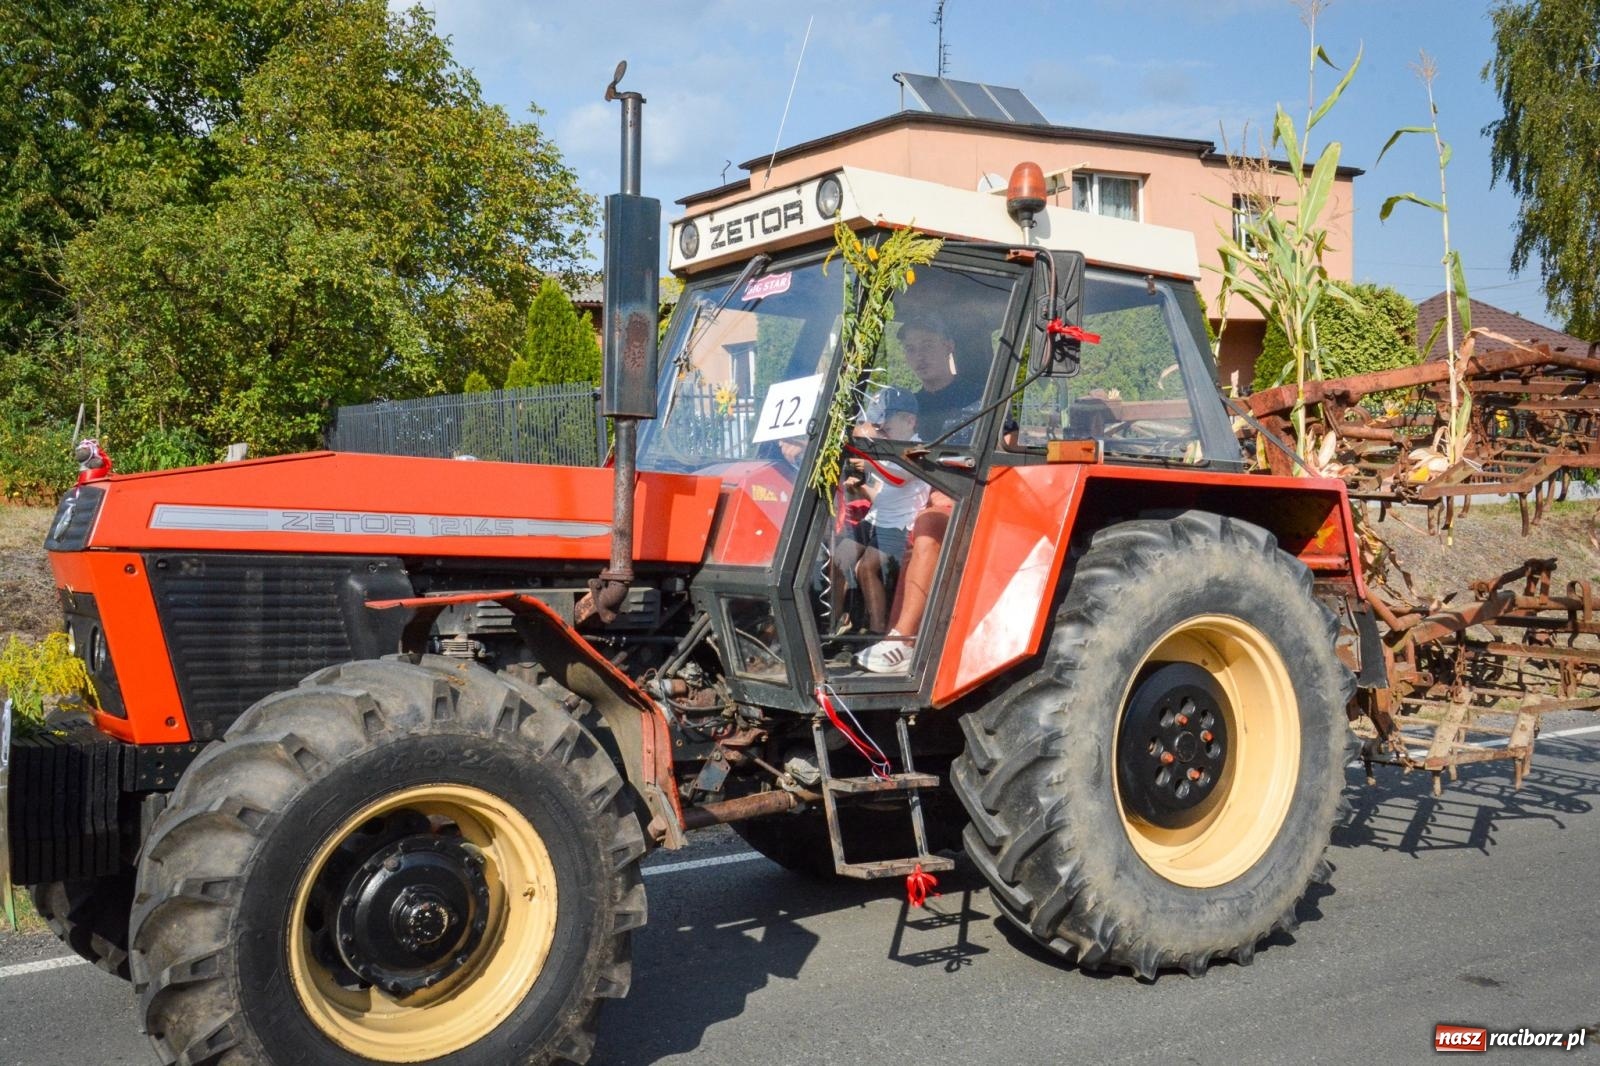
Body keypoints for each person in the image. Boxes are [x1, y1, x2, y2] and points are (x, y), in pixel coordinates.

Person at [855, 315, 982, 673]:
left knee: (925, 526)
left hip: (964, 494)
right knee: (850, 541)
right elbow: (883, 439)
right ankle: (873, 634)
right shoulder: (908, 405)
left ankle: (903, 641)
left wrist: (951, 490)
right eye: (911, 349)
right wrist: (865, 430)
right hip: (916, 496)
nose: (919, 356)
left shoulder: (981, 396)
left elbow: (1007, 442)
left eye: (927, 346)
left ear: (949, 346)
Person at [852, 388, 930, 633]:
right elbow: (882, 497)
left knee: (865, 568)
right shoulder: (888, 449)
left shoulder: (920, 448)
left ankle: (876, 631)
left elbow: (899, 479)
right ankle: (845, 623)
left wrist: (868, 464)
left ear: (910, 420)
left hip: (901, 525)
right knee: (840, 559)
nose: (880, 426)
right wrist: (861, 486)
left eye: (887, 420)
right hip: (881, 519)